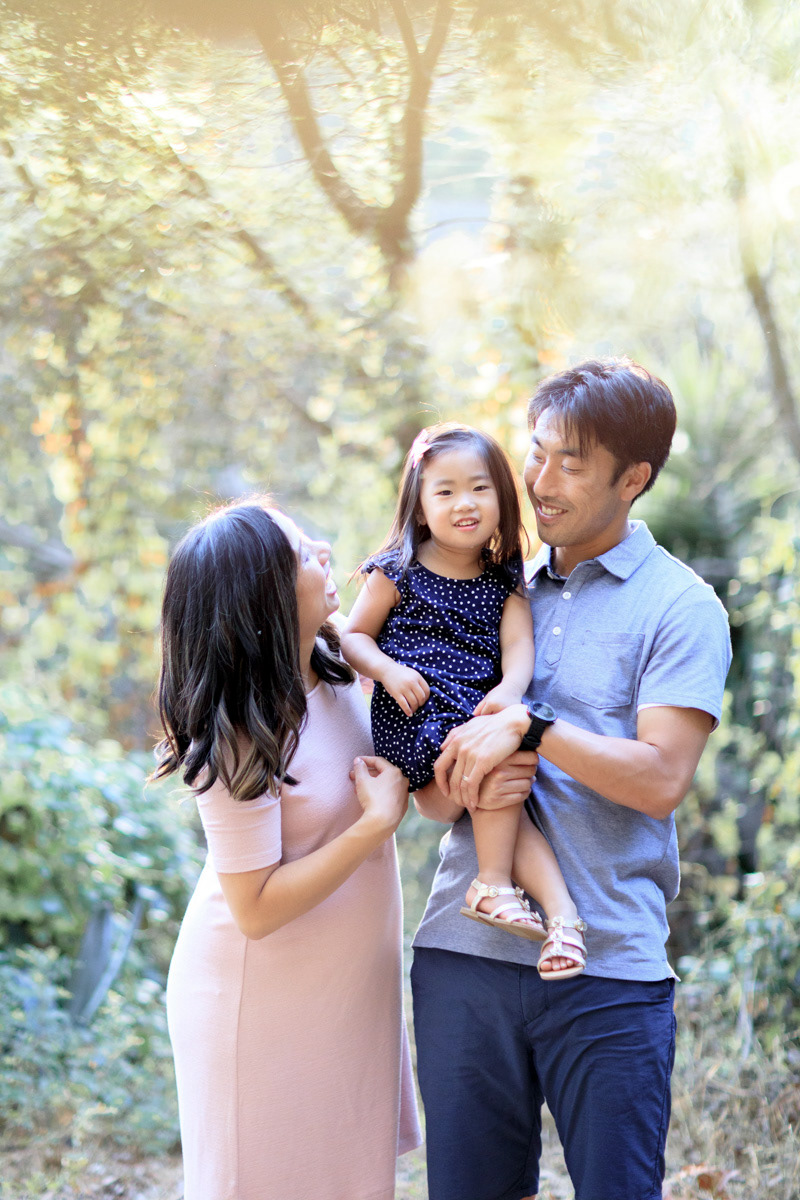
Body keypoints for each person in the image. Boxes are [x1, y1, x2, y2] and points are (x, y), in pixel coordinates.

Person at [409, 359, 732, 1200]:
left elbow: (660, 780)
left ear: (634, 478)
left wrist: (533, 727)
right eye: (537, 451)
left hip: (610, 968)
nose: (540, 481)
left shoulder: (681, 607)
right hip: (464, 955)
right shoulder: (486, 585)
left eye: (572, 463)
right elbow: (435, 800)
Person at [155, 499, 421, 1200]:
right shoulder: (240, 729)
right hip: (258, 998)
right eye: (303, 554)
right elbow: (255, 908)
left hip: (346, 988)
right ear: (264, 595)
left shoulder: (342, 671)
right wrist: (372, 827)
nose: (325, 551)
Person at [341, 423, 586, 975]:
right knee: (502, 767)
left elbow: (518, 646)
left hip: (473, 716)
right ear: (420, 506)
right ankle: (497, 885)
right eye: (445, 491)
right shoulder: (396, 571)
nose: (465, 503)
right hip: (416, 716)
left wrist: (509, 691)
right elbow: (353, 637)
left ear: (502, 497)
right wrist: (388, 670)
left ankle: (560, 918)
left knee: (506, 776)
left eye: (479, 488)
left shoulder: (504, 581)